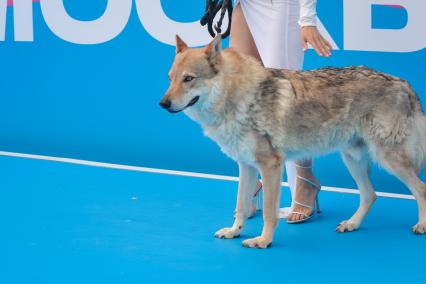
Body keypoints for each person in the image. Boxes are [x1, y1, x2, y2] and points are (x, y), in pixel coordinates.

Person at [230, 0, 332, 223]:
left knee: (287, 100)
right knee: (244, 94)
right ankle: (254, 184)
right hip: (245, 4)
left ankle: (305, 183)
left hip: (280, 6)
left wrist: (307, 19)